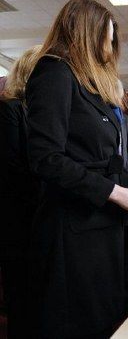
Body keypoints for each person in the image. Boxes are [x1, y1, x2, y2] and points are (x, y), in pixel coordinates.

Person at [25, 0, 128, 338]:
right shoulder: (53, 71)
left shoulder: (90, 86)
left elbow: (95, 156)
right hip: (73, 234)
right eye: (107, 38)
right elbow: (46, 158)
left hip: (102, 229)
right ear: (85, 33)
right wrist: (115, 193)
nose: (111, 48)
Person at [0, 45, 41, 339]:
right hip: (19, 224)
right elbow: (12, 169)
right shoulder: (10, 110)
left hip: (41, 222)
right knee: (22, 302)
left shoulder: (41, 113)